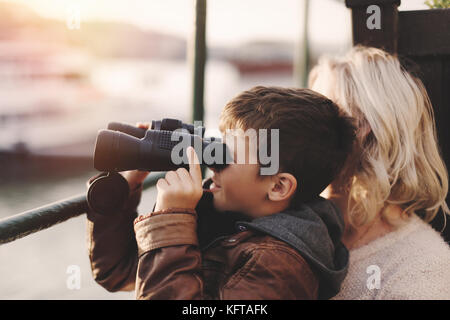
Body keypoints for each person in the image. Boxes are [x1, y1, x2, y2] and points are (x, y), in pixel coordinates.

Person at [86, 86, 356, 299]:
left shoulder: (278, 264)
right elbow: (117, 273)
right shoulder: (224, 216)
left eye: (228, 154)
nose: (213, 163)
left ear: (278, 186)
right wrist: (127, 188)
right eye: (218, 145)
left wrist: (172, 223)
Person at [308, 45, 450, 299]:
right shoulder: (289, 224)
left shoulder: (421, 268)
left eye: (315, 112)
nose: (298, 128)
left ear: (361, 127)